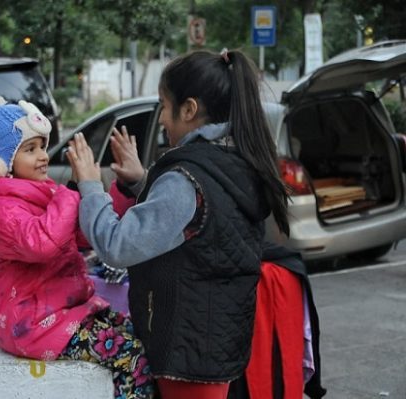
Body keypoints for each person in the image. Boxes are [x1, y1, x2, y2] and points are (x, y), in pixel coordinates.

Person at [66, 49, 290, 399]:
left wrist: (90, 186)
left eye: (165, 106)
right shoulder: (234, 161)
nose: (163, 120)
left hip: (187, 352)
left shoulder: (185, 178)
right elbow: (198, 224)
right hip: (212, 344)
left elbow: (117, 245)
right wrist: (141, 182)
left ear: (189, 109)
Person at [0, 92, 153, 399]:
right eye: (30, 149)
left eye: (42, 145)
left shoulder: (43, 193)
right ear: (1, 165)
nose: (43, 155)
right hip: (32, 323)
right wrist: (73, 192)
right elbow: (41, 243)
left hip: (66, 311)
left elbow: (84, 234)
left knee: (140, 331)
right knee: (133, 357)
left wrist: (119, 189)